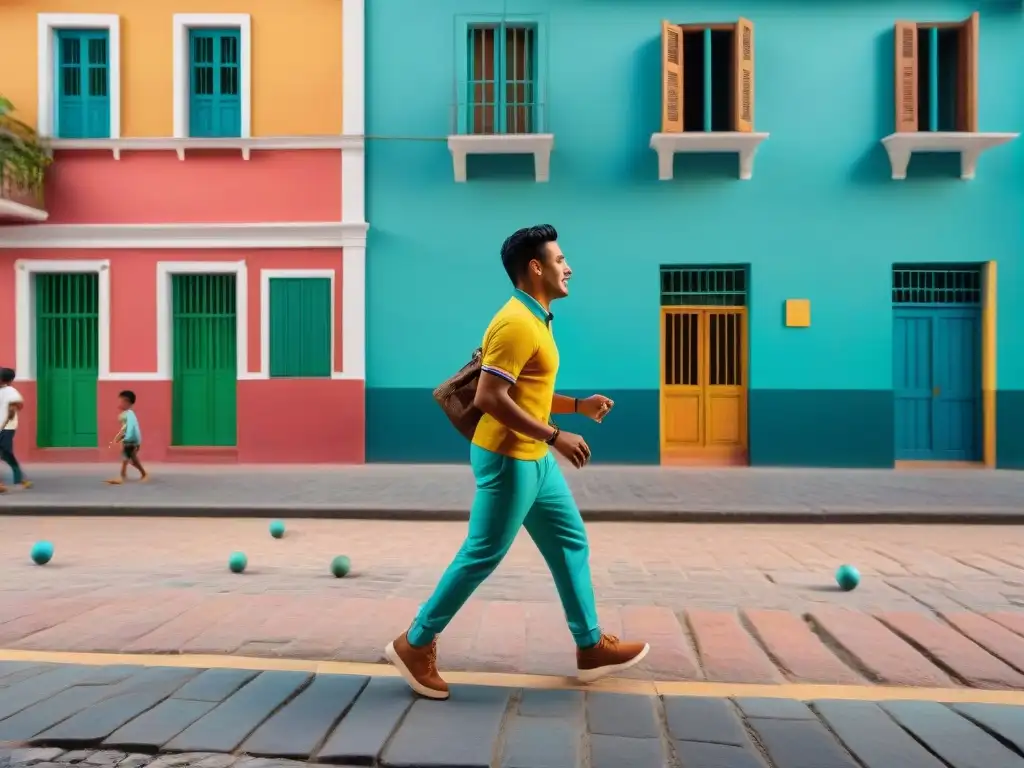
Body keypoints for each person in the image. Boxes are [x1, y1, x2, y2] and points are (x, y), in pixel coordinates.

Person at [386, 225, 649, 700]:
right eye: (560, 259)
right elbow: (490, 397)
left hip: (533, 457)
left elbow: (528, 392)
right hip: (508, 457)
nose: (568, 267)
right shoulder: (515, 322)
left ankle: (590, 647)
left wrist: (577, 406)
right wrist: (556, 436)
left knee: (570, 541)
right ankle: (415, 643)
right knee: (482, 553)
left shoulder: (537, 318)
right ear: (535, 267)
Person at [106, 390, 148, 484]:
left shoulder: (129, 414)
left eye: (122, 401)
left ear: (127, 402)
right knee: (129, 458)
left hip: (131, 440)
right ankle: (125, 474)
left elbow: (131, 427)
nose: (120, 403)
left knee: (129, 458)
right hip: (128, 439)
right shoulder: (126, 413)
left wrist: (127, 438)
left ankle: (136, 474)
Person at [0, 367, 31, 493]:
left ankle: (19, 477)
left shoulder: (11, 391)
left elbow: (17, 406)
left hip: (7, 427)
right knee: (5, 452)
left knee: (6, 451)